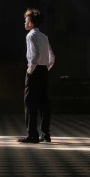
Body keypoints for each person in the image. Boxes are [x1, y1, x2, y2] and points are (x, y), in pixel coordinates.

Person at [18, 8, 55, 144]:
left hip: (34, 71)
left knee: (30, 103)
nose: (25, 23)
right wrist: (47, 67)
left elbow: (35, 55)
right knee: (44, 103)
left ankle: (32, 135)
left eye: (26, 20)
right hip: (44, 70)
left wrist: (30, 70)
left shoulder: (30, 35)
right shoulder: (44, 36)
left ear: (31, 23)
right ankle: (46, 134)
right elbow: (52, 56)